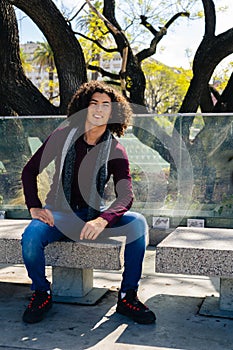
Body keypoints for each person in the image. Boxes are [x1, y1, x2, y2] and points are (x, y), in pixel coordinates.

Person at [21, 80, 156, 325]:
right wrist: (35, 207)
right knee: (31, 236)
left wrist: (102, 220)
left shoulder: (115, 148)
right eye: (94, 103)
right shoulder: (62, 136)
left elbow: (126, 195)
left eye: (106, 105)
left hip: (93, 214)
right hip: (58, 214)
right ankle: (41, 293)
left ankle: (127, 296)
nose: (99, 109)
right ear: (84, 107)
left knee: (138, 223)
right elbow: (30, 171)